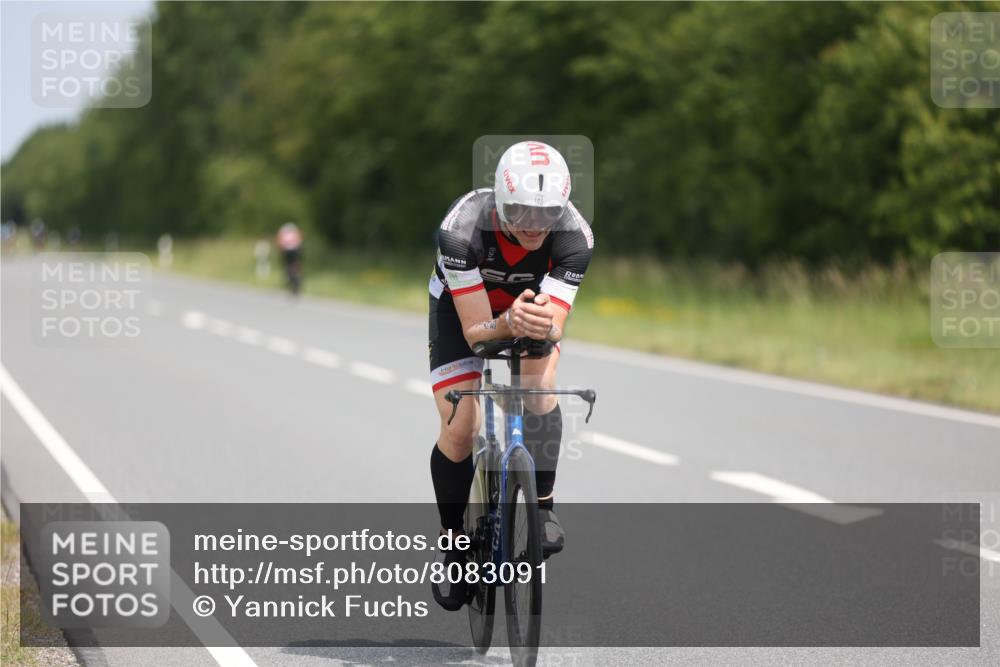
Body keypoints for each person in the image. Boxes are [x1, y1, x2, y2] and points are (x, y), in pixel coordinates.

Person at [428, 141, 594, 610]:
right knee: (461, 427)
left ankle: (543, 507)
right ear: (500, 202)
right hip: (466, 311)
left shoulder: (574, 238)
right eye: (520, 210)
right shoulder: (460, 231)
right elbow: (478, 334)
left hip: (529, 311)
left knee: (538, 385)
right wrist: (507, 324)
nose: (533, 224)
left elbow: (555, 322)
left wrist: (539, 324)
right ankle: (454, 544)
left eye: (547, 213)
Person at [275, 222, 304, 296]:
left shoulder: (283, 230)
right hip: (293, 250)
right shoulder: (293, 229)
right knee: (293, 264)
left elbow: (279, 241)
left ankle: (294, 276)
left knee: (289, 265)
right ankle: (295, 275)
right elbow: (299, 239)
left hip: (289, 250)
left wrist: (281, 249)